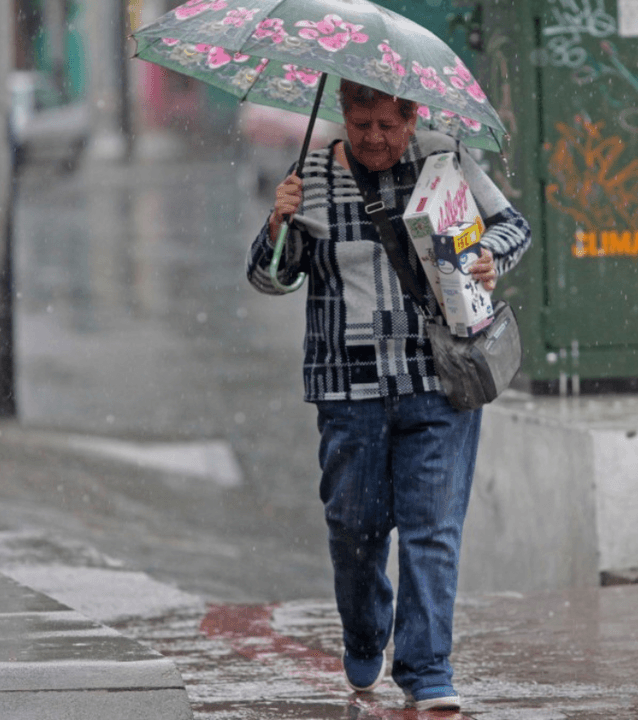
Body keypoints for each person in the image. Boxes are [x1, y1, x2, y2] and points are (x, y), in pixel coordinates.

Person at [246, 79, 530, 712]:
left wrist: (486, 253)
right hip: (348, 390)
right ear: (342, 114)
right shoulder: (309, 175)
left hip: (439, 380)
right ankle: (366, 630)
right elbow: (270, 279)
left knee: (432, 531)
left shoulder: (444, 158)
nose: (374, 137)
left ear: (412, 116)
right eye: (361, 121)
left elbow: (513, 227)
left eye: (387, 124)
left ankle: (427, 670)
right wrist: (278, 221)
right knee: (355, 528)